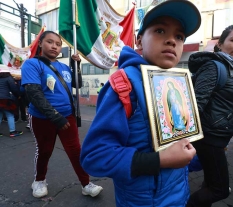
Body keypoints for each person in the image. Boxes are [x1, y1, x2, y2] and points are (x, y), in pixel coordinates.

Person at [80, 1, 201, 206]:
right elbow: (95, 156)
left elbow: (180, 139)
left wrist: (194, 157)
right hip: (141, 200)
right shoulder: (123, 85)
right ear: (139, 40)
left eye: (179, 36)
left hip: (179, 193)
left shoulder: (180, 84)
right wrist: (160, 160)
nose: (171, 40)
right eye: (160, 30)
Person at [21, 31, 103, 199]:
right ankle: (39, 181)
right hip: (42, 118)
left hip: (67, 116)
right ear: (41, 43)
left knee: (75, 151)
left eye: (58, 44)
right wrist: (54, 116)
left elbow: (78, 84)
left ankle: (86, 184)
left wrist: (76, 67)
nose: (54, 46)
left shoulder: (64, 67)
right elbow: (33, 93)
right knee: (44, 151)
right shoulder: (32, 64)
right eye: (50, 42)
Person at [185, 24, 233, 207]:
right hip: (209, 138)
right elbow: (195, 104)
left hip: (218, 138)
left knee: (210, 183)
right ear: (220, 44)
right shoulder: (215, 66)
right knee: (219, 189)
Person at [0, 65, 23, 137]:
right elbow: (14, 89)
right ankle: (12, 131)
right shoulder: (9, 78)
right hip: (6, 99)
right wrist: (18, 96)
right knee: (10, 115)